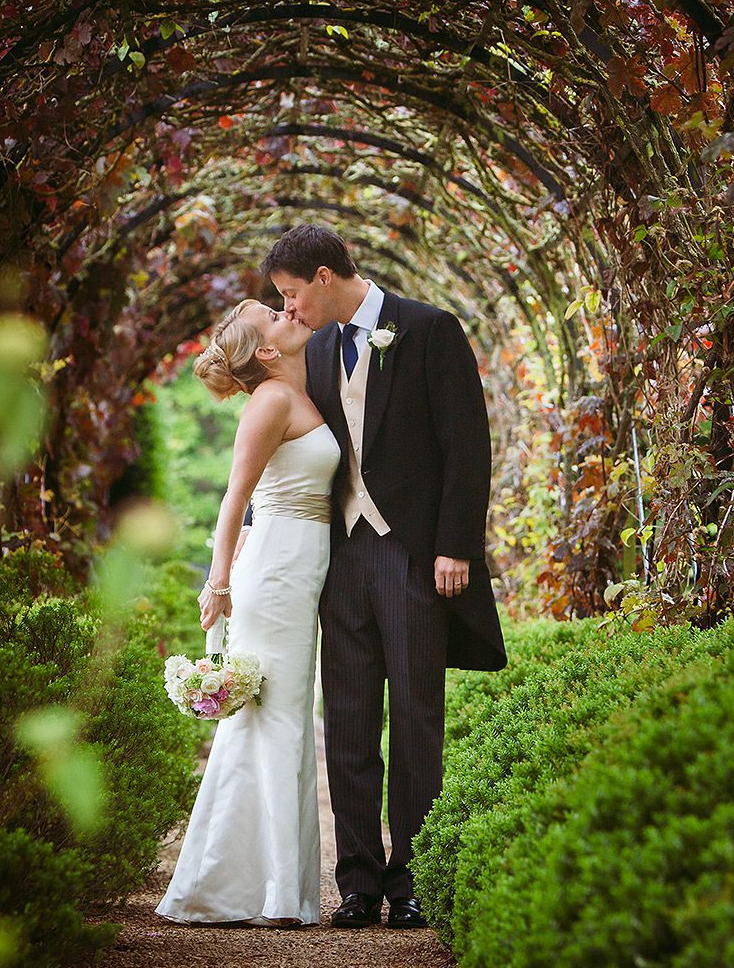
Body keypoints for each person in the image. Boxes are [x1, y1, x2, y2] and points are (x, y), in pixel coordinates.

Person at [260, 223, 506, 931]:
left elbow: (467, 446)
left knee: (418, 721)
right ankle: (359, 883)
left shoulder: (429, 329)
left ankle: (415, 878)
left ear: (327, 277)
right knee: (349, 720)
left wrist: (455, 545)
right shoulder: (321, 348)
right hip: (342, 558)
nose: (290, 309)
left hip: (415, 555)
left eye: (293, 293)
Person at [156, 299, 339, 926]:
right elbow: (235, 497)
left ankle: (264, 882)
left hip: (304, 561)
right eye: (277, 316)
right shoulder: (269, 402)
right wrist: (219, 583)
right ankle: (268, 890)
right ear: (265, 350)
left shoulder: (300, 389)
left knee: (281, 712)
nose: (292, 313)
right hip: (276, 566)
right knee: (277, 715)